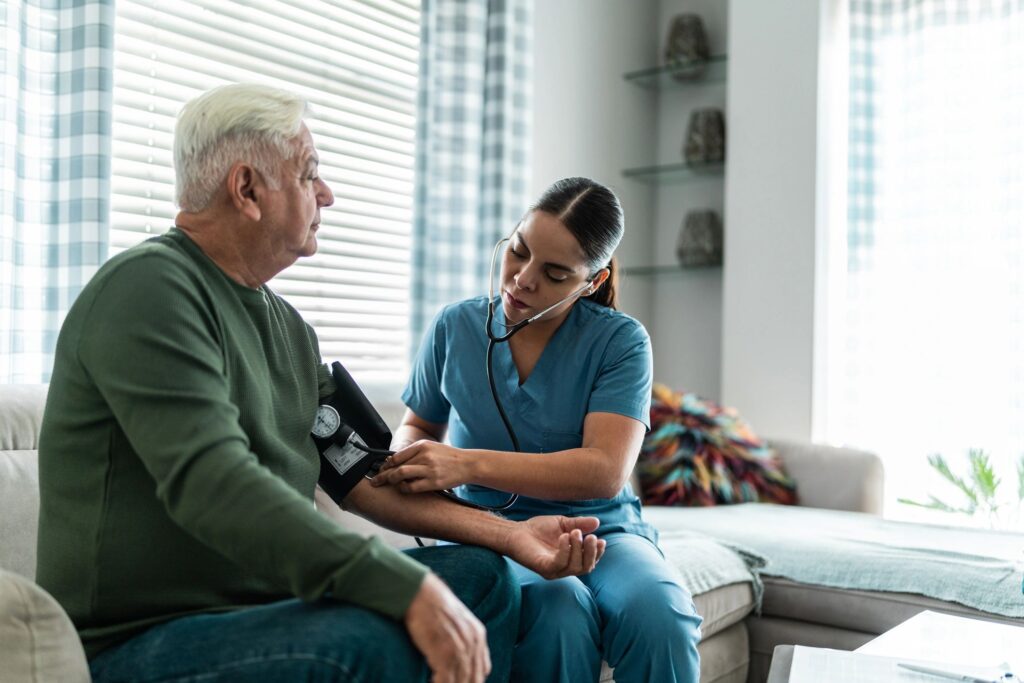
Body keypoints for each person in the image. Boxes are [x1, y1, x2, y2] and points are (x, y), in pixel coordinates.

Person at [35, 84, 607, 683]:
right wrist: (402, 588)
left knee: (480, 580)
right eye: (310, 175)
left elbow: (360, 474)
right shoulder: (151, 288)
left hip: (263, 615)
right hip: (144, 640)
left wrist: (512, 536)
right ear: (248, 189)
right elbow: (215, 486)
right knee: (366, 638)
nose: (327, 194)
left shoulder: (288, 329)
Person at [373, 177, 705, 682]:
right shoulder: (454, 328)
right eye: (519, 252)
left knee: (662, 618)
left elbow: (604, 471)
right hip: (492, 533)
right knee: (558, 608)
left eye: (553, 273)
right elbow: (418, 423)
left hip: (602, 530)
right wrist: (411, 457)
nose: (523, 280)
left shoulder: (621, 343)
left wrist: (464, 462)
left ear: (590, 282)